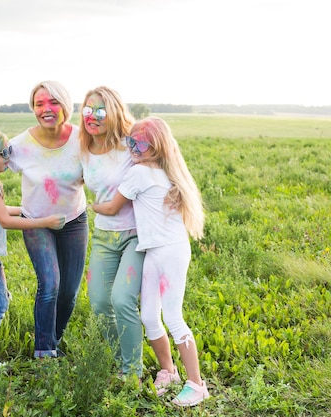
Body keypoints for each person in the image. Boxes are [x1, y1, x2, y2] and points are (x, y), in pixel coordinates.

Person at [0, 81, 88, 359]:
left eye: (52, 102)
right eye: (39, 104)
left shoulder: (82, 139)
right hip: (36, 222)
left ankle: (54, 340)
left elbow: (104, 171)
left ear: (65, 104)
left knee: (69, 292)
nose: (46, 109)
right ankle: (43, 352)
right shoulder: (18, 146)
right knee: (50, 284)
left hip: (73, 220)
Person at [90, 116, 210, 406]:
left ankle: (196, 384)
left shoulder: (140, 174)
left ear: (157, 147)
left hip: (168, 252)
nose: (133, 147)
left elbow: (111, 207)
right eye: (130, 140)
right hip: (154, 251)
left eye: (141, 143)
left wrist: (89, 205)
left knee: (173, 317)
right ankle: (169, 371)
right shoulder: (160, 171)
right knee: (148, 316)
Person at [0, 127, 66, 381]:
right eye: (2, 152)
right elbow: (5, 219)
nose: (8, 156)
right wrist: (45, 222)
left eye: (9, 150)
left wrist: (31, 210)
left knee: (0, 305)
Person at [79, 86, 145, 378]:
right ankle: (121, 361)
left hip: (135, 235)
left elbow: (162, 170)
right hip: (104, 237)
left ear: (115, 113)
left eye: (100, 110)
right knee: (100, 303)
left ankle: (132, 373)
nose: (92, 116)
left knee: (121, 299)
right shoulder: (83, 149)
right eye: (87, 110)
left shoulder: (131, 146)